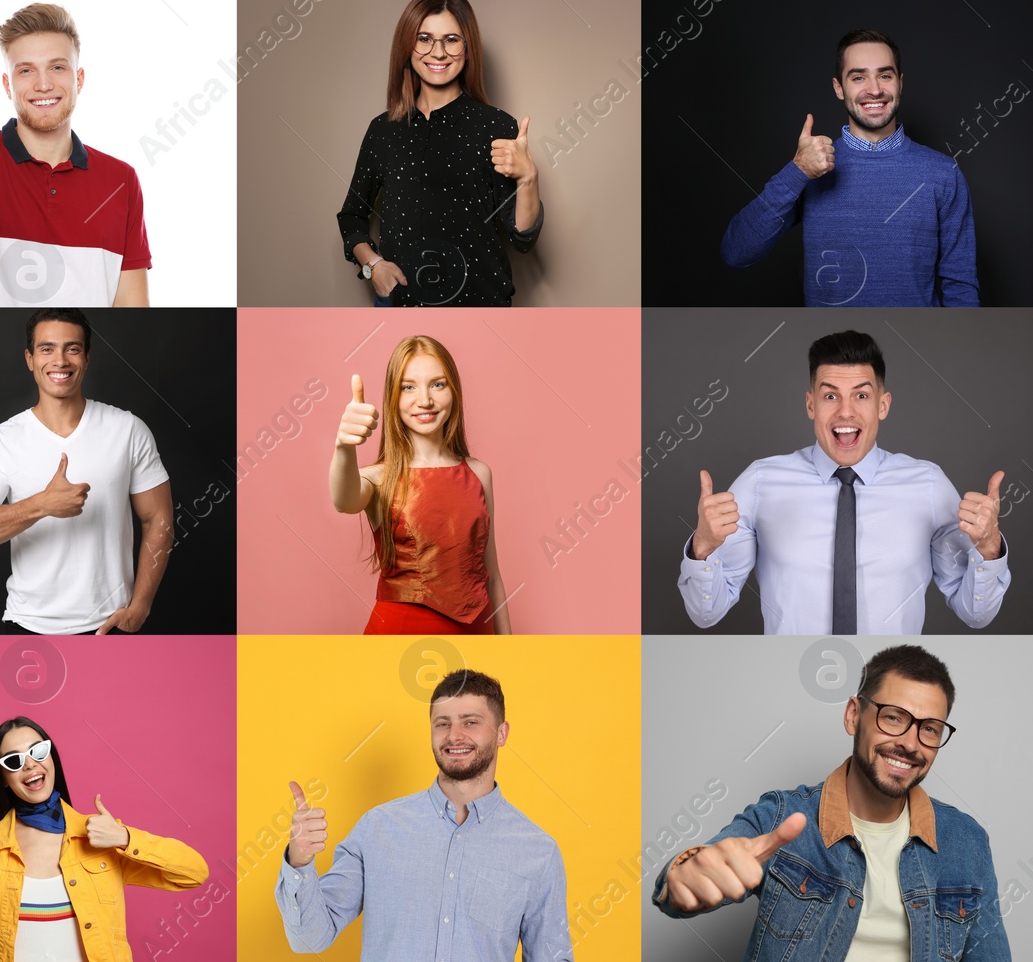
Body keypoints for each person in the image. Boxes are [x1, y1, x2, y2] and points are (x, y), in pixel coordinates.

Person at [652, 645, 1010, 960]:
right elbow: (698, 871)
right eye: (893, 718)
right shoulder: (782, 815)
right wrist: (686, 874)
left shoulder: (968, 841)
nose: (911, 744)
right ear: (854, 715)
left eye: (929, 728)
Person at [678, 330, 1007, 634]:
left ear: (883, 405)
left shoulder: (929, 485)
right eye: (830, 396)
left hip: (886, 682)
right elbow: (706, 614)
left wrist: (989, 548)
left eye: (861, 396)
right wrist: (702, 548)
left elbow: (975, 615)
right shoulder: (760, 482)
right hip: (789, 679)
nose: (845, 413)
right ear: (811, 405)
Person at [277, 668, 571, 959]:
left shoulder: (538, 851)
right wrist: (299, 861)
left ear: (501, 733)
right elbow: (310, 939)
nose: (455, 736)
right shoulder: (377, 827)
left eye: (471, 722)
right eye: (443, 723)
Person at [0, 716, 207, 961]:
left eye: (39, 750)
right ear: (2, 778)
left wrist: (124, 837)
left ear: (52, 757)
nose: (30, 764)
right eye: (14, 761)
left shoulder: (102, 841)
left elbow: (194, 873)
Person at [0, 3, 150, 307]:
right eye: (25, 70)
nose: (43, 84)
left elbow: (134, 314)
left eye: (57, 67)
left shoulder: (121, 180)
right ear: (8, 85)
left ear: (79, 79)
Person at [720, 29, 978, 306]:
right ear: (838, 88)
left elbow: (960, 285)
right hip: (834, 346)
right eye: (858, 77)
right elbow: (737, 252)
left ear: (900, 83)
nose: (875, 89)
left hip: (916, 344)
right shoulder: (810, 169)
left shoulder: (942, 173)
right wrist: (797, 172)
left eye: (885, 75)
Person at [0, 308, 172, 634]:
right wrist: (43, 504)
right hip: (29, 626)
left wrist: (140, 606)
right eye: (47, 348)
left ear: (87, 357)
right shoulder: (2, 440)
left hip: (110, 626)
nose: (60, 360)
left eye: (72, 348)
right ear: (29, 358)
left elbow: (159, 518)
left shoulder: (127, 429)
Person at [338, 0, 542, 307]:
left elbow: (522, 239)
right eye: (424, 38)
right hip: (401, 305)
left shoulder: (497, 127)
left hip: (481, 305)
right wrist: (373, 266)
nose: (438, 52)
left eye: (451, 39)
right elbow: (352, 216)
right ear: (408, 46)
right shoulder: (382, 130)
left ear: (467, 47)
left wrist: (528, 178)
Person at [330, 334, 510, 633]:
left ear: (454, 391)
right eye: (408, 387)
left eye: (437, 384)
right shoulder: (377, 477)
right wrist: (343, 447)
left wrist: (511, 651)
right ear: (393, 397)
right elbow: (343, 501)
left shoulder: (480, 474)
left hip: (477, 633)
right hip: (400, 636)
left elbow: (491, 575)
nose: (424, 400)